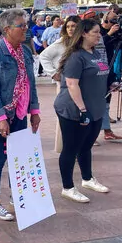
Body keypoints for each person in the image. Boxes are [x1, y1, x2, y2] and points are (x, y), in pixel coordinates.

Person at [0, 9, 41, 221]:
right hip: (3, 115)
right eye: (21, 26)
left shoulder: (25, 52)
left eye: (26, 25)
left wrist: (34, 111)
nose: (26, 29)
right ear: (7, 29)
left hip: (20, 113)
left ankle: (17, 194)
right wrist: (1, 118)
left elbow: (31, 84)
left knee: (18, 157)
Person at [54, 19, 111, 203]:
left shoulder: (95, 53)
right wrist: (82, 109)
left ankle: (87, 178)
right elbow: (71, 84)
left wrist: (112, 83)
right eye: (95, 32)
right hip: (74, 109)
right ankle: (68, 187)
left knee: (86, 146)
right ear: (84, 33)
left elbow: (100, 74)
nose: (99, 35)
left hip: (96, 108)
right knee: (71, 149)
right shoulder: (76, 56)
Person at [40, 15, 81, 153]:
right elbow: (43, 56)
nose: (70, 29)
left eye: (73, 26)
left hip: (80, 84)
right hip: (64, 86)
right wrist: (53, 73)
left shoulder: (82, 43)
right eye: (68, 26)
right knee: (66, 117)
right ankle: (64, 148)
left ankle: (77, 147)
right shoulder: (61, 42)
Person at [98, 10, 122, 143]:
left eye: (117, 19)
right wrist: (109, 34)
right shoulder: (98, 31)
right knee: (97, 100)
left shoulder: (117, 31)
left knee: (107, 97)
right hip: (97, 68)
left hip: (108, 68)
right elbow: (97, 44)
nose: (115, 21)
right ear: (106, 21)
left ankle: (107, 131)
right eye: (113, 19)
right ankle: (91, 134)